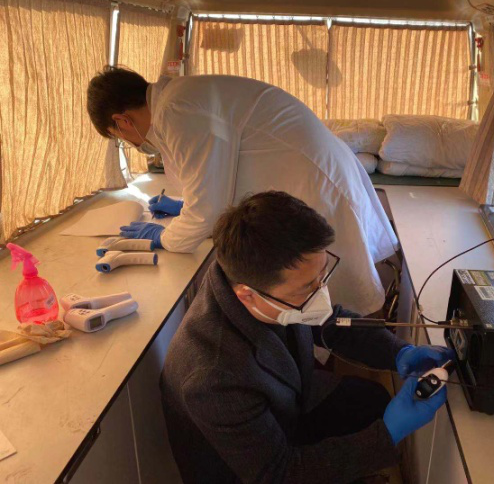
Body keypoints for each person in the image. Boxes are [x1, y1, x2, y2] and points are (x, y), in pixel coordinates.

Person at [160, 191, 454, 484]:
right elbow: (280, 474)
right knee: (373, 426)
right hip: (249, 470)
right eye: (307, 288)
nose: (321, 295)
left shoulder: (254, 278)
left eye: (322, 275)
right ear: (247, 295)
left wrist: (398, 352)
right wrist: (386, 435)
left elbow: (330, 322)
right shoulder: (213, 377)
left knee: (371, 401)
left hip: (284, 405)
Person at [86, 67, 397, 315]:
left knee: (327, 300)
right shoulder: (183, 97)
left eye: (120, 138)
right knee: (317, 299)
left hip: (316, 188)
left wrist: (165, 237)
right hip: (317, 179)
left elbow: (207, 212)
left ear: (122, 121)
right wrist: (185, 205)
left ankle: (346, 364)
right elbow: (220, 171)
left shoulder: (177, 111)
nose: (132, 144)